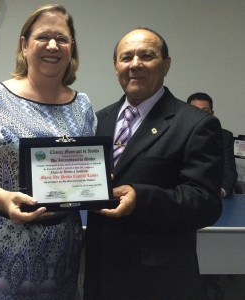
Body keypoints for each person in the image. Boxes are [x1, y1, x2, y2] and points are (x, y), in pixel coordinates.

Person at [0, 4, 97, 300]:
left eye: (62, 39)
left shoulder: (83, 106)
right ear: (25, 45)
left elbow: (80, 169)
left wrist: (96, 181)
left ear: (72, 49)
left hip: (61, 256)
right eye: (43, 37)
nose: (53, 45)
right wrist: (4, 198)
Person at [83, 27, 223, 300]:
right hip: (101, 274)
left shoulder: (196, 124)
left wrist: (141, 198)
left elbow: (206, 202)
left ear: (166, 64)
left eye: (147, 55)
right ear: (116, 67)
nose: (135, 64)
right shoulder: (97, 120)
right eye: (126, 57)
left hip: (159, 281)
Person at [187, 92, 238, 198]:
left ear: (212, 114)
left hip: (213, 194)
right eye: (194, 111)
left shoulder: (224, 136)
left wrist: (221, 191)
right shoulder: (176, 134)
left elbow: (229, 170)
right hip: (183, 194)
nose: (199, 116)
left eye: (204, 112)